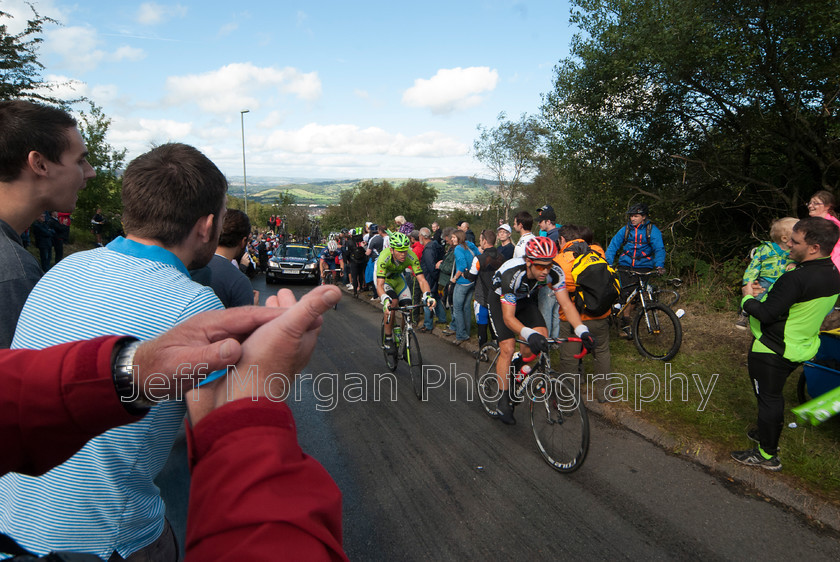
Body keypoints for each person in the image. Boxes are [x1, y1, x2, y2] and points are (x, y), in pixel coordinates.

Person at [1, 143, 229, 561]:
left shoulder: (64, 269)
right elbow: (215, 440)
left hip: (12, 527)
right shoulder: (197, 306)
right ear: (207, 225)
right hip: (107, 544)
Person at [731, 217, 840, 471]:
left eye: (795, 241)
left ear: (814, 248)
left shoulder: (796, 278)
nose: (788, 244)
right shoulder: (832, 273)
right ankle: (765, 434)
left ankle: (767, 455)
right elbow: (795, 305)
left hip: (772, 348)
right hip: (802, 344)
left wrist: (747, 298)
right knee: (773, 395)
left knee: (769, 398)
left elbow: (766, 314)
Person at [0, 100, 96, 349]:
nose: (91, 172)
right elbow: (19, 380)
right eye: (80, 160)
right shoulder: (12, 272)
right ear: (39, 164)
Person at [489, 236, 595, 425]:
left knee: (542, 337)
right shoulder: (512, 273)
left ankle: (518, 367)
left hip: (524, 298)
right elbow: (508, 318)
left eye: (548, 265)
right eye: (539, 266)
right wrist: (529, 334)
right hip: (500, 301)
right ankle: (503, 399)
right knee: (507, 346)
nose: (545, 271)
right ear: (529, 262)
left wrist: (582, 330)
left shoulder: (554, 272)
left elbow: (566, 304)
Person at [554, 224, 613, 401]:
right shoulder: (597, 253)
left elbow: (554, 286)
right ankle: (604, 394)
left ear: (563, 240)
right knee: (602, 352)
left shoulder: (560, 260)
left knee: (570, 359)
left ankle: (568, 399)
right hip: (600, 314)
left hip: (572, 319)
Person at [605, 202, 666, 336]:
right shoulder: (626, 229)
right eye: (631, 216)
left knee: (636, 297)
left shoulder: (652, 230)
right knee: (626, 294)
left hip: (644, 266)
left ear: (644, 217)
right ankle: (625, 323)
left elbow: (659, 248)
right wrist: (608, 262)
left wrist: (659, 265)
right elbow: (613, 245)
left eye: (636, 216)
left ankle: (625, 317)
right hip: (625, 266)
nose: (632, 219)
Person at [375, 231, 435, 356]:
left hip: (398, 279)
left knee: (408, 308)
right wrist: (385, 299)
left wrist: (428, 295)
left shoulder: (411, 256)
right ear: (392, 250)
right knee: (393, 303)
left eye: (405, 250)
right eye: (399, 251)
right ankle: (388, 338)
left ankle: (403, 337)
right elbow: (380, 285)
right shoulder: (384, 257)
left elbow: (421, 279)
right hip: (385, 280)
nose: (403, 254)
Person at [735, 217, 797, 329]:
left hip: (782, 283)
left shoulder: (795, 252)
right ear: (784, 238)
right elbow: (754, 266)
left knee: (776, 304)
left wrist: (795, 265)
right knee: (756, 296)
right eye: (796, 232)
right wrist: (748, 282)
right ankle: (744, 313)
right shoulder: (766, 250)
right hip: (766, 280)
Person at [191, 209, 258, 308]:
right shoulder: (239, 281)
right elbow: (243, 322)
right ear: (243, 241)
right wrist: (254, 310)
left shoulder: (192, 264)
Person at [465, 229, 506, 350]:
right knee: (495, 326)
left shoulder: (479, 258)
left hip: (482, 298)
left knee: (482, 326)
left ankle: (482, 352)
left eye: (480, 240)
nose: (479, 242)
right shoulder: (502, 257)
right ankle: (498, 350)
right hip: (497, 297)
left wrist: (465, 273)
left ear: (484, 241)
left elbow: (471, 278)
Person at [448, 229, 480, 345]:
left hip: (462, 282)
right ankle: (467, 331)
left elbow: (461, 266)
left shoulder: (458, 249)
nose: (451, 239)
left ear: (459, 237)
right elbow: (479, 256)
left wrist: (454, 279)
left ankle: (461, 334)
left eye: (453, 237)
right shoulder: (470, 245)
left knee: (457, 308)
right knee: (466, 307)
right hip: (472, 280)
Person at [418, 227, 445, 333]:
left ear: (422, 236)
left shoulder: (428, 249)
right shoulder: (435, 245)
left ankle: (428, 324)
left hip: (429, 277)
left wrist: (434, 277)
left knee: (427, 299)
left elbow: (430, 265)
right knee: (436, 298)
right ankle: (442, 318)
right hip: (435, 276)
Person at [806, 190, 840, 269]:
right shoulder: (817, 222)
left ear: (827, 206)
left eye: (815, 203)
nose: (810, 206)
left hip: (831, 264)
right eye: (809, 203)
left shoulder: (831, 225)